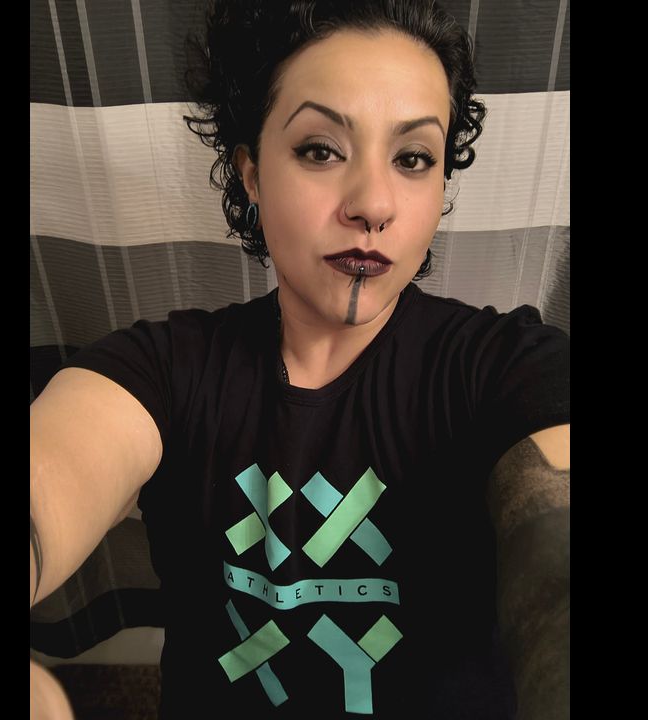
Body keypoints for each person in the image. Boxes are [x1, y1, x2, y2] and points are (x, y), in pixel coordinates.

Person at [30, 1, 569, 718]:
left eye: (413, 159)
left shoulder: (505, 368)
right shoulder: (163, 368)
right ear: (251, 174)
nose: (374, 204)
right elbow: (56, 468)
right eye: (321, 149)